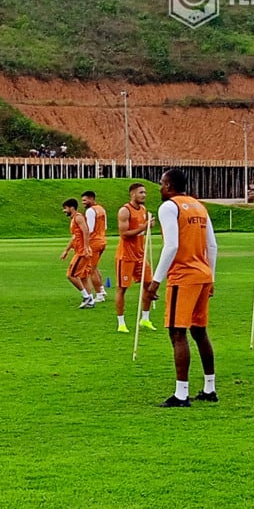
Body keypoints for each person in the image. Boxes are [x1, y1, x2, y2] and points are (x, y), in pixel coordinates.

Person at [144, 169, 219, 407]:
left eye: (161, 184)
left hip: (183, 276)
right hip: (203, 273)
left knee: (177, 332)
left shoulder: (168, 207)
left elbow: (172, 245)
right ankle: (209, 387)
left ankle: (181, 394)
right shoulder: (199, 206)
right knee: (199, 331)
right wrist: (212, 277)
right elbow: (213, 246)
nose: (159, 188)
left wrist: (155, 280)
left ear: (168, 185)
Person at [115, 183, 156, 332]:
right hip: (126, 255)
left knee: (149, 285)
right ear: (132, 194)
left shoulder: (144, 210)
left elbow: (142, 230)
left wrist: (148, 226)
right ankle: (121, 322)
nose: (144, 195)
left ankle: (145, 319)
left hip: (140, 255)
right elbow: (124, 235)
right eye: (140, 192)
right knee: (122, 288)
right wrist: (144, 227)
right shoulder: (125, 211)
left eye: (145, 192)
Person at [60, 198, 95, 309]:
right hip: (79, 250)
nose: (64, 211)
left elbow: (86, 231)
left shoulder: (78, 217)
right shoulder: (74, 219)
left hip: (81, 252)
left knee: (71, 275)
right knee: (83, 277)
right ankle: (91, 301)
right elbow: (75, 236)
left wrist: (85, 248)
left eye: (65, 208)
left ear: (71, 207)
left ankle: (86, 297)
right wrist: (66, 250)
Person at [81, 190, 108, 303]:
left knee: (91, 269)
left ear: (91, 199)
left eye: (85, 200)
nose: (83, 203)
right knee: (95, 267)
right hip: (102, 239)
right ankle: (101, 290)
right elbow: (105, 226)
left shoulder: (90, 211)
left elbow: (90, 229)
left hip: (94, 242)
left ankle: (99, 294)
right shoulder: (101, 209)